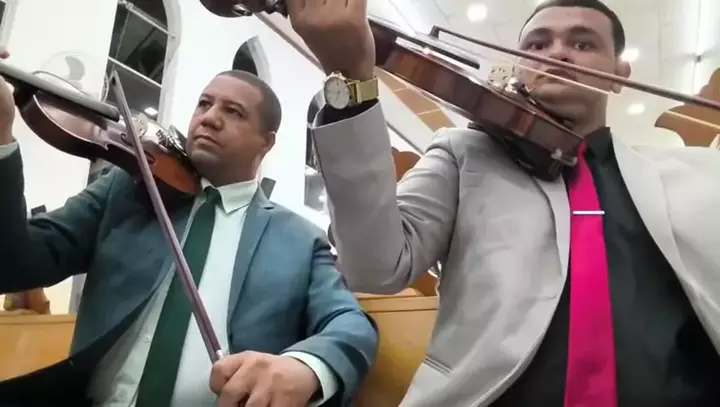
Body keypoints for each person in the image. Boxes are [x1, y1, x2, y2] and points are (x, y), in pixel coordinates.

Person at [286, 0, 720, 406]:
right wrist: (353, 86)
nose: (557, 53)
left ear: (619, 75)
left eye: (583, 44)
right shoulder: (464, 153)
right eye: (537, 45)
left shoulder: (697, 174)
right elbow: (375, 267)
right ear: (517, 67)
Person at [0, 46, 378, 407]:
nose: (209, 117)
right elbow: (13, 262)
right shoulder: (129, 190)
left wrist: (305, 368)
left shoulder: (299, 240)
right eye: (204, 103)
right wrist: (1, 140)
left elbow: (350, 323)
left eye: (233, 112)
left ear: (266, 143)